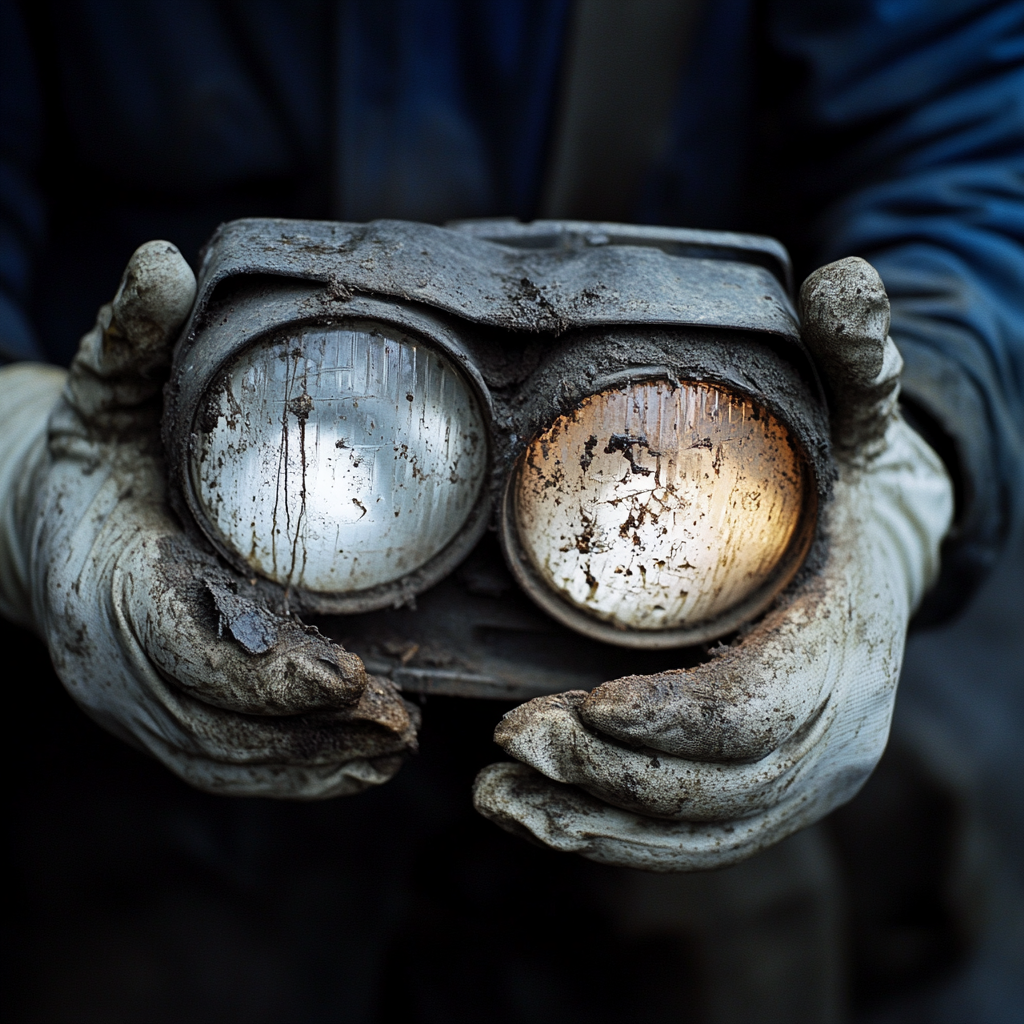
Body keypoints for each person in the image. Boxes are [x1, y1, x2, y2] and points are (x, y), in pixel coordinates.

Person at [1, 1, 1021, 1019]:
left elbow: (967, 142)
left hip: (689, 540)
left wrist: (911, 467)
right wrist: (23, 463)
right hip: (157, 555)